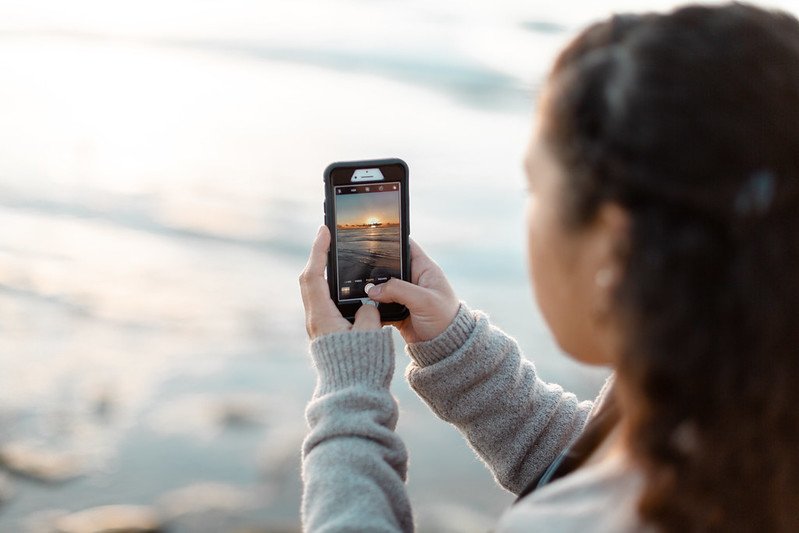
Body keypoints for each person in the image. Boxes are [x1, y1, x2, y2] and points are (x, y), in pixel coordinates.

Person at [298, 3, 799, 531]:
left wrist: (349, 394)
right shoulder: (742, 420)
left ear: (613, 246)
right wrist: (455, 348)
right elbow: (596, 463)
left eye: (535, 187)